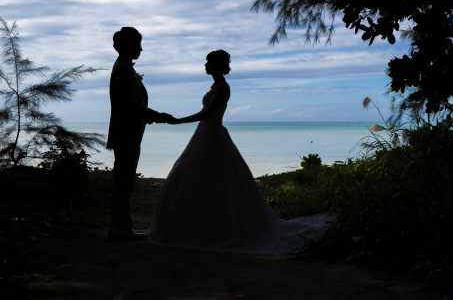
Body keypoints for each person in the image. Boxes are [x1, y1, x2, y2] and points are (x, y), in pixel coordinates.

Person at [149, 50, 330, 253]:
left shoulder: (223, 87)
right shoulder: (215, 86)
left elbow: (207, 114)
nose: (205, 65)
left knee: (210, 179)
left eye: (208, 62)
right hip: (204, 134)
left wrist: (178, 120)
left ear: (217, 65)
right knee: (193, 178)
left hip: (212, 134)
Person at [107, 27, 173, 240]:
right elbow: (130, 104)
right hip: (126, 132)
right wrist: (158, 115)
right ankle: (120, 228)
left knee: (124, 179)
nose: (141, 49)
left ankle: (121, 226)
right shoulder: (124, 70)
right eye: (138, 45)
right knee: (123, 181)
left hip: (129, 132)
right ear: (128, 46)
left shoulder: (125, 68)